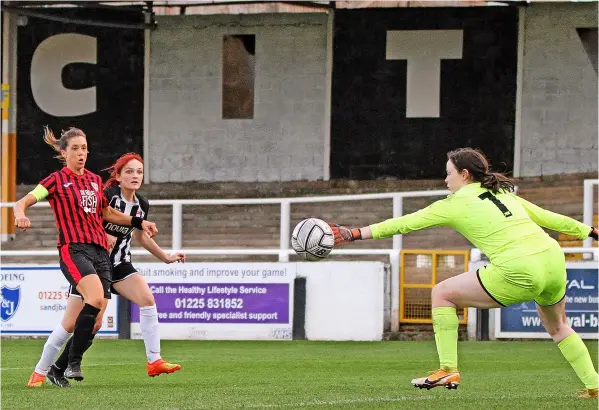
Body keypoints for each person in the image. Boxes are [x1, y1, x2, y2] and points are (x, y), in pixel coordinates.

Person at [328, 148, 599, 398]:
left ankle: (447, 368)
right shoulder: (505, 194)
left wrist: (355, 233)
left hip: (519, 267)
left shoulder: (454, 203)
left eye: (449, 174)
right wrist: (589, 231)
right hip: (552, 261)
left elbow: (404, 223)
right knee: (559, 327)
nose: (446, 180)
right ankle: (594, 385)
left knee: (442, 294)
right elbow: (549, 218)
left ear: (464, 175)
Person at [16, 127, 158, 387]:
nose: (81, 153)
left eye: (84, 148)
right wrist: (20, 213)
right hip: (74, 249)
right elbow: (24, 200)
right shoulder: (55, 180)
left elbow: (108, 214)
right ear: (64, 152)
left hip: (100, 253)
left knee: (92, 323)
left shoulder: (94, 181)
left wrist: (139, 221)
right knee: (93, 299)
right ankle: (72, 363)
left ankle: (52, 370)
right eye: (75, 149)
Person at [40, 153, 185, 388]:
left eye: (139, 171)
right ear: (118, 176)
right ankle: (47, 369)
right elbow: (86, 218)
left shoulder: (142, 204)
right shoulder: (107, 195)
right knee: (81, 324)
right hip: (92, 263)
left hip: (119, 264)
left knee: (147, 300)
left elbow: (141, 237)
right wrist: (101, 233)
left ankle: (154, 360)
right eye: (129, 171)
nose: (135, 176)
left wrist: (166, 257)